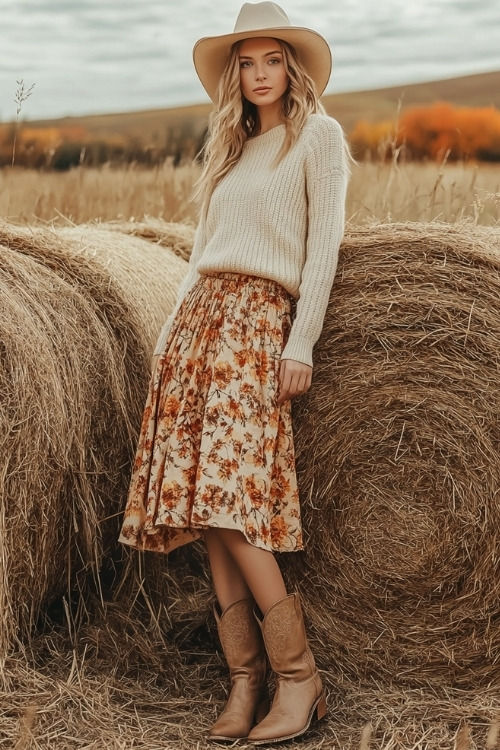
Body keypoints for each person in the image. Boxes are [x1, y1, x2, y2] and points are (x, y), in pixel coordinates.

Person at [119, 1, 349, 743]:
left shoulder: (319, 137)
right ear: (234, 75)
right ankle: (244, 683)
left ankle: (298, 678)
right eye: (245, 63)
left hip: (257, 327)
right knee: (207, 515)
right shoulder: (229, 150)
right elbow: (199, 259)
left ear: (293, 67)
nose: (258, 75)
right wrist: (167, 344)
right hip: (197, 330)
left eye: (271, 60)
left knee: (236, 507)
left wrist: (302, 343)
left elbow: (323, 250)